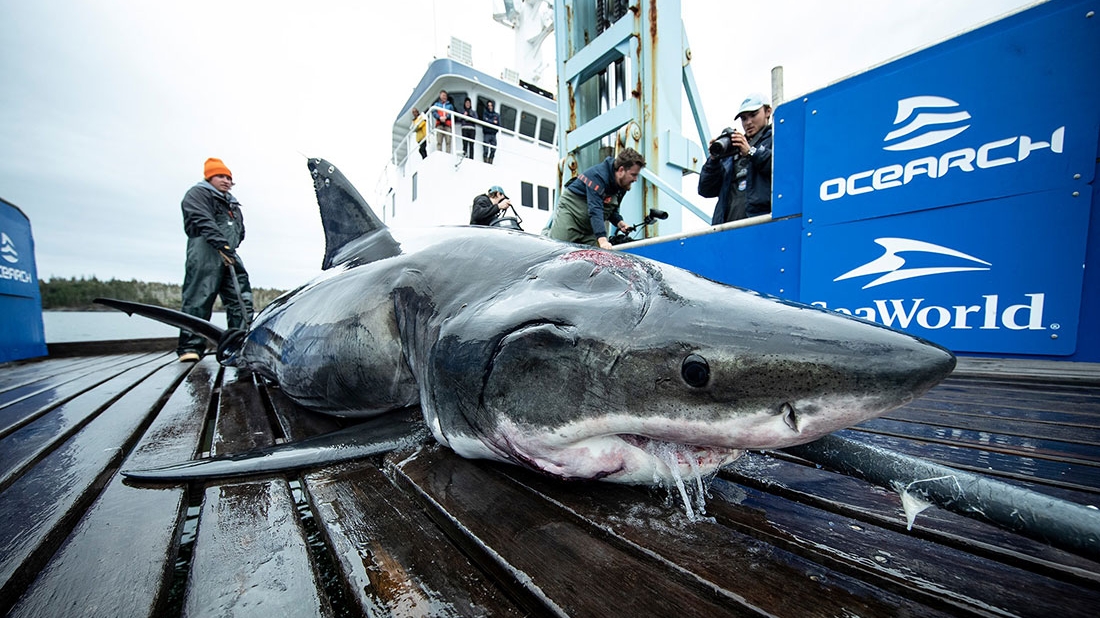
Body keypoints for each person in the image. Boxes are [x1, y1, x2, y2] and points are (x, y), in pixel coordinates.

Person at [176, 157, 255, 362]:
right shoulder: (198, 194)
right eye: (221, 176)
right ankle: (190, 347)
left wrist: (231, 247)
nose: (226, 181)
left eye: (229, 178)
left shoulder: (232, 202)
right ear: (209, 177)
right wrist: (221, 245)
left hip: (230, 253)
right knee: (199, 298)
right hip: (206, 251)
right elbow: (202, 220)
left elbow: (239, 228)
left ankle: (241, 344)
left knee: (241, 299)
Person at [698, 93, 774, 224]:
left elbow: (783, 169)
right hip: (728, 229)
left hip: (761, 224)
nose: (748, 122)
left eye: (753, 114)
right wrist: (714, 160)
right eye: (744, 118)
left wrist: (751, 152)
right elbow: (706, 190)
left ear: (768, 112)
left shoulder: (777, 137)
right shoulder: (732, 150)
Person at [548, 148, 646, 249]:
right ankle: (546, 234)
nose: (635, 179)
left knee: (597, 256)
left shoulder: (623, 185)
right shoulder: (597, 176)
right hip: (572, 215)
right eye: (633, 175)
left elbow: (610, 210)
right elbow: (595, 209)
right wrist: (603, 240)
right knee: (556, 248)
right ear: (621, 170)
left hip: (589, 226)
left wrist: (619, 222)